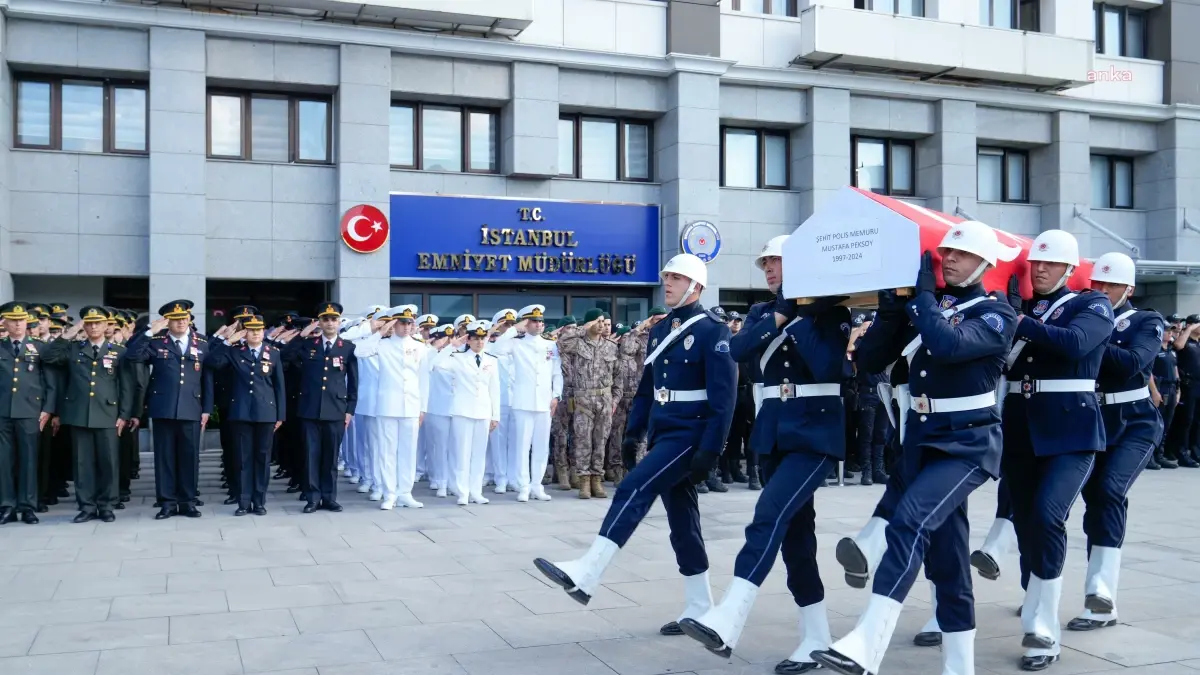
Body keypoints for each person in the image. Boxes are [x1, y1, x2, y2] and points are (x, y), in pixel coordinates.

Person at [810, 221, 1019, 675]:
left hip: (968, 444)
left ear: (984, 263)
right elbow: (869, 362)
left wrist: (921, 300)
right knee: (948, 560)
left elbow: (947, 345)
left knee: (908, 523)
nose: (948, 259)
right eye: (945, 252)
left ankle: (868, 641)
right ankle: (960, 666)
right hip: (922, 439)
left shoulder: (998, 313)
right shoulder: (928, 308)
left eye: (960, 255)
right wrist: (891, 311)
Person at [533, 253, 735, 642]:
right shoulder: (661, 331)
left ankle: (588, 571)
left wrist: (712, 449)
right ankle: (700, 607)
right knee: (683, 524)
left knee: (632, 488)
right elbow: (647, 387)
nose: (668, 282)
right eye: (667, 277)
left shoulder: (712, 331)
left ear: (696, 286)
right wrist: (633, 432)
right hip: (665, 430)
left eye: (677, 277)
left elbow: (723, 399)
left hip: (690, 433)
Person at [678, 234, 848, 670]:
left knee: (768, 515)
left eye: (777, 262)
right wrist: (780, 314)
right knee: (796, 539)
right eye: (766, 263)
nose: (769, 269)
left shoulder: (831, 311)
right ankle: (816, 638)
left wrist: (798, 313)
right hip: (773, 434)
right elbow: (737, 349)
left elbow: (827, 366)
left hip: (815, 434)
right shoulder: (760, 312)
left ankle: (729, 616)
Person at [996, 229, 1112, 672]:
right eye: (1034, 264)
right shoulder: (1021, 308)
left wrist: (1018, 320)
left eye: (1048, 263)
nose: (1038, 269)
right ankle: (1036, 595)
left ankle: (1044, 629)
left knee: (1048, 515)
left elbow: (1077, 343)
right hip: (1022, 427)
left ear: (1068, 267)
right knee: (1026, 521)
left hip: (1072, 431)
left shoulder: (1091, 304)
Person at [1065, 252, 1164, 632]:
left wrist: (1087, 338)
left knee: (1109, 490)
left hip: (1135, 421)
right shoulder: (1083, 313)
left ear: (1129, 289)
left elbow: (1133, 363)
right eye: (1097, 286)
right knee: (1093, 500)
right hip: (1094, 418)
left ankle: (1102, 596)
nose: (1103, 292)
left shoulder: (1145, 320)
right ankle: (1080, 593)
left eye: (1111, 286)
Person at [42, 307, 134, 523]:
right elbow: (49, 357)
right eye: (89, 323)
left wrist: (124, 414)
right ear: (84, 325)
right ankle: (87, 506)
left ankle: (106, 505)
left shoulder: (118, 351)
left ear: (106, 326)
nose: (93, 327)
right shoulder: (74, 348)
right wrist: (69, 333)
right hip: (79, 413)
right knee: (82, 463)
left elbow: (125, 386)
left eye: (98, 323)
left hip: (108, 413)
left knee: (108, 462)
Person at [125, 300, 213, 520]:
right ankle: (167, 503)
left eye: (184, 318)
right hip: (163, 407)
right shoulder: (156, 341)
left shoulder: (201, 343)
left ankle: (188, 502)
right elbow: (133, 355)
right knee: (164, 458)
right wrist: (148, 331)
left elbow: (208, 378)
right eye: (175, 319)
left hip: (192, 407)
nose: (181, 322)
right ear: (167, 322)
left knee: (189, 457)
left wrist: (207, 408)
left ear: (190, 320)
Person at [206, 314, 287, 515]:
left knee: (262, 459)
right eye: (251, 330)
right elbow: (212, 362)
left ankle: (259, 501)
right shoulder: (234, 351)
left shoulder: (273, 353)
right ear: (245, 332)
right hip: (241, 413)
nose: (255, 333)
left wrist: (280, 415)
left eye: (259, 330)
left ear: (263, 331)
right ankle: (243, 502)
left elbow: (279, 387)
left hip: (265, 413)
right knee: (243, 459)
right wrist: (227, 341)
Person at [281, 303, 358, 513]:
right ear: (320, 322)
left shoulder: (347, 347)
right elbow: (285, 357)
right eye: (325, 319)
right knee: (311, 456)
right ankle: (313, 497)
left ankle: (329, 497)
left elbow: (353, 382)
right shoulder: (308, 345)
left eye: (334, 319)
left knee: (330, 457)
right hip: (310, 409)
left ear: (339, 322)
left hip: (336, 410)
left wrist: (350, 409)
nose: (330, 323)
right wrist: (301, 336)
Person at [354, 305, 428, 510]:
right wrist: (379, 331)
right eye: (402, 322)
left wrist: (423, 408)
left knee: (408, 450)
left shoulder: (420, 346)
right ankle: (389, 493)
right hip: (387, 405)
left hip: (411, 405)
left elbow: (424, 379)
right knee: (387, 451)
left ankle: (405, 492)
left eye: (409, 322)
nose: (406, 326)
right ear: (394, 324)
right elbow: (360, 351)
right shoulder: (382, 344)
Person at [488, 305, 563, 502]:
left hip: (544, 402)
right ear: (526, 323)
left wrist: (556, 395)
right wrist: (514, 328)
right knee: (521, 446)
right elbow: (496, 349)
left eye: (540, 321)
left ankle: (536, 485)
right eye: (534, 321)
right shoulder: (515, 343)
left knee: (541, 446)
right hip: (523, 402)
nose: (538, 324)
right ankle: (523, 485)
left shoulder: (550, 345)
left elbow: (557, 372)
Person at [0, 302, 58, 525]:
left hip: (30, 411)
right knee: (4, 461)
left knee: (28, 459)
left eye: (21, 320)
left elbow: (50, 382)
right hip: (3, 410)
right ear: (4, 322)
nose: (17, 324)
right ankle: (7, 505)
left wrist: (48, 409)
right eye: (12, 320)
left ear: (27, 322)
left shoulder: (40, 347)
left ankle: (27, 506)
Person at [434, 320, 500, 505]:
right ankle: (462, 491)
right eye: (475, 339)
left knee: (479, 454)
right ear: (468, 340)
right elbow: (436, 364)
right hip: (462, 410)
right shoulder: (457, 358)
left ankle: (476, 491)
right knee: (461, 453)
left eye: (482, 338)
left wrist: (495, 415)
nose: (480, 342)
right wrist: (451, 346)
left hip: (483, 411)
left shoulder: (491, 360)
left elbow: (494, 389)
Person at [559, 310, 623, 499]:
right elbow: (561, 342)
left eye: (604, 321)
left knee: (600, 442)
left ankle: (597, 479)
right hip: (583, 401)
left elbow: (618, 376)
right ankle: (584, 482)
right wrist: (582, 328)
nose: (602, 324)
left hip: (604, 400)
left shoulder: (611, 347)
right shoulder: (576, 343)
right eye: (598, 321)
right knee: (582, 442)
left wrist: (615, 399)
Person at [486, 308, 518, 492]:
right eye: (506, 324)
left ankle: (513, 477)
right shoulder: (491, 346)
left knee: (514, 442)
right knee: (497, 443)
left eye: (512, 324)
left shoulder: (518, 344)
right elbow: (499, 347)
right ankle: (500, 478)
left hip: (518, 400)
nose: (510, 327)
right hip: (499, 401)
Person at [550, 316, 579, 490]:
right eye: (569, 328)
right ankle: (561, 471)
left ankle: (574, 471)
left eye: (576, 328)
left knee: (576, 434)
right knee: (560, 436)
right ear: (561, 330)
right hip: (560, 397)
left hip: (577, 396)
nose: (573, 332)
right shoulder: (555, 347)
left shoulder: (579, 348)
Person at [1150, 317, 1181, 469]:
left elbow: (1176, 372)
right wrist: (1154, 392)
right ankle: (1150, 457)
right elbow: (1148, 372)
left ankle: (1159, 455)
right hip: (1159, 388)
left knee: (1167, 424)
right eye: (1167, 330)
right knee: (1157, 424)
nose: (1170, 334)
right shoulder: (1154, 349)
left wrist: (1178, 390)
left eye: (1171, 331)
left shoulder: (1171, 351)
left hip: (1171, 389)